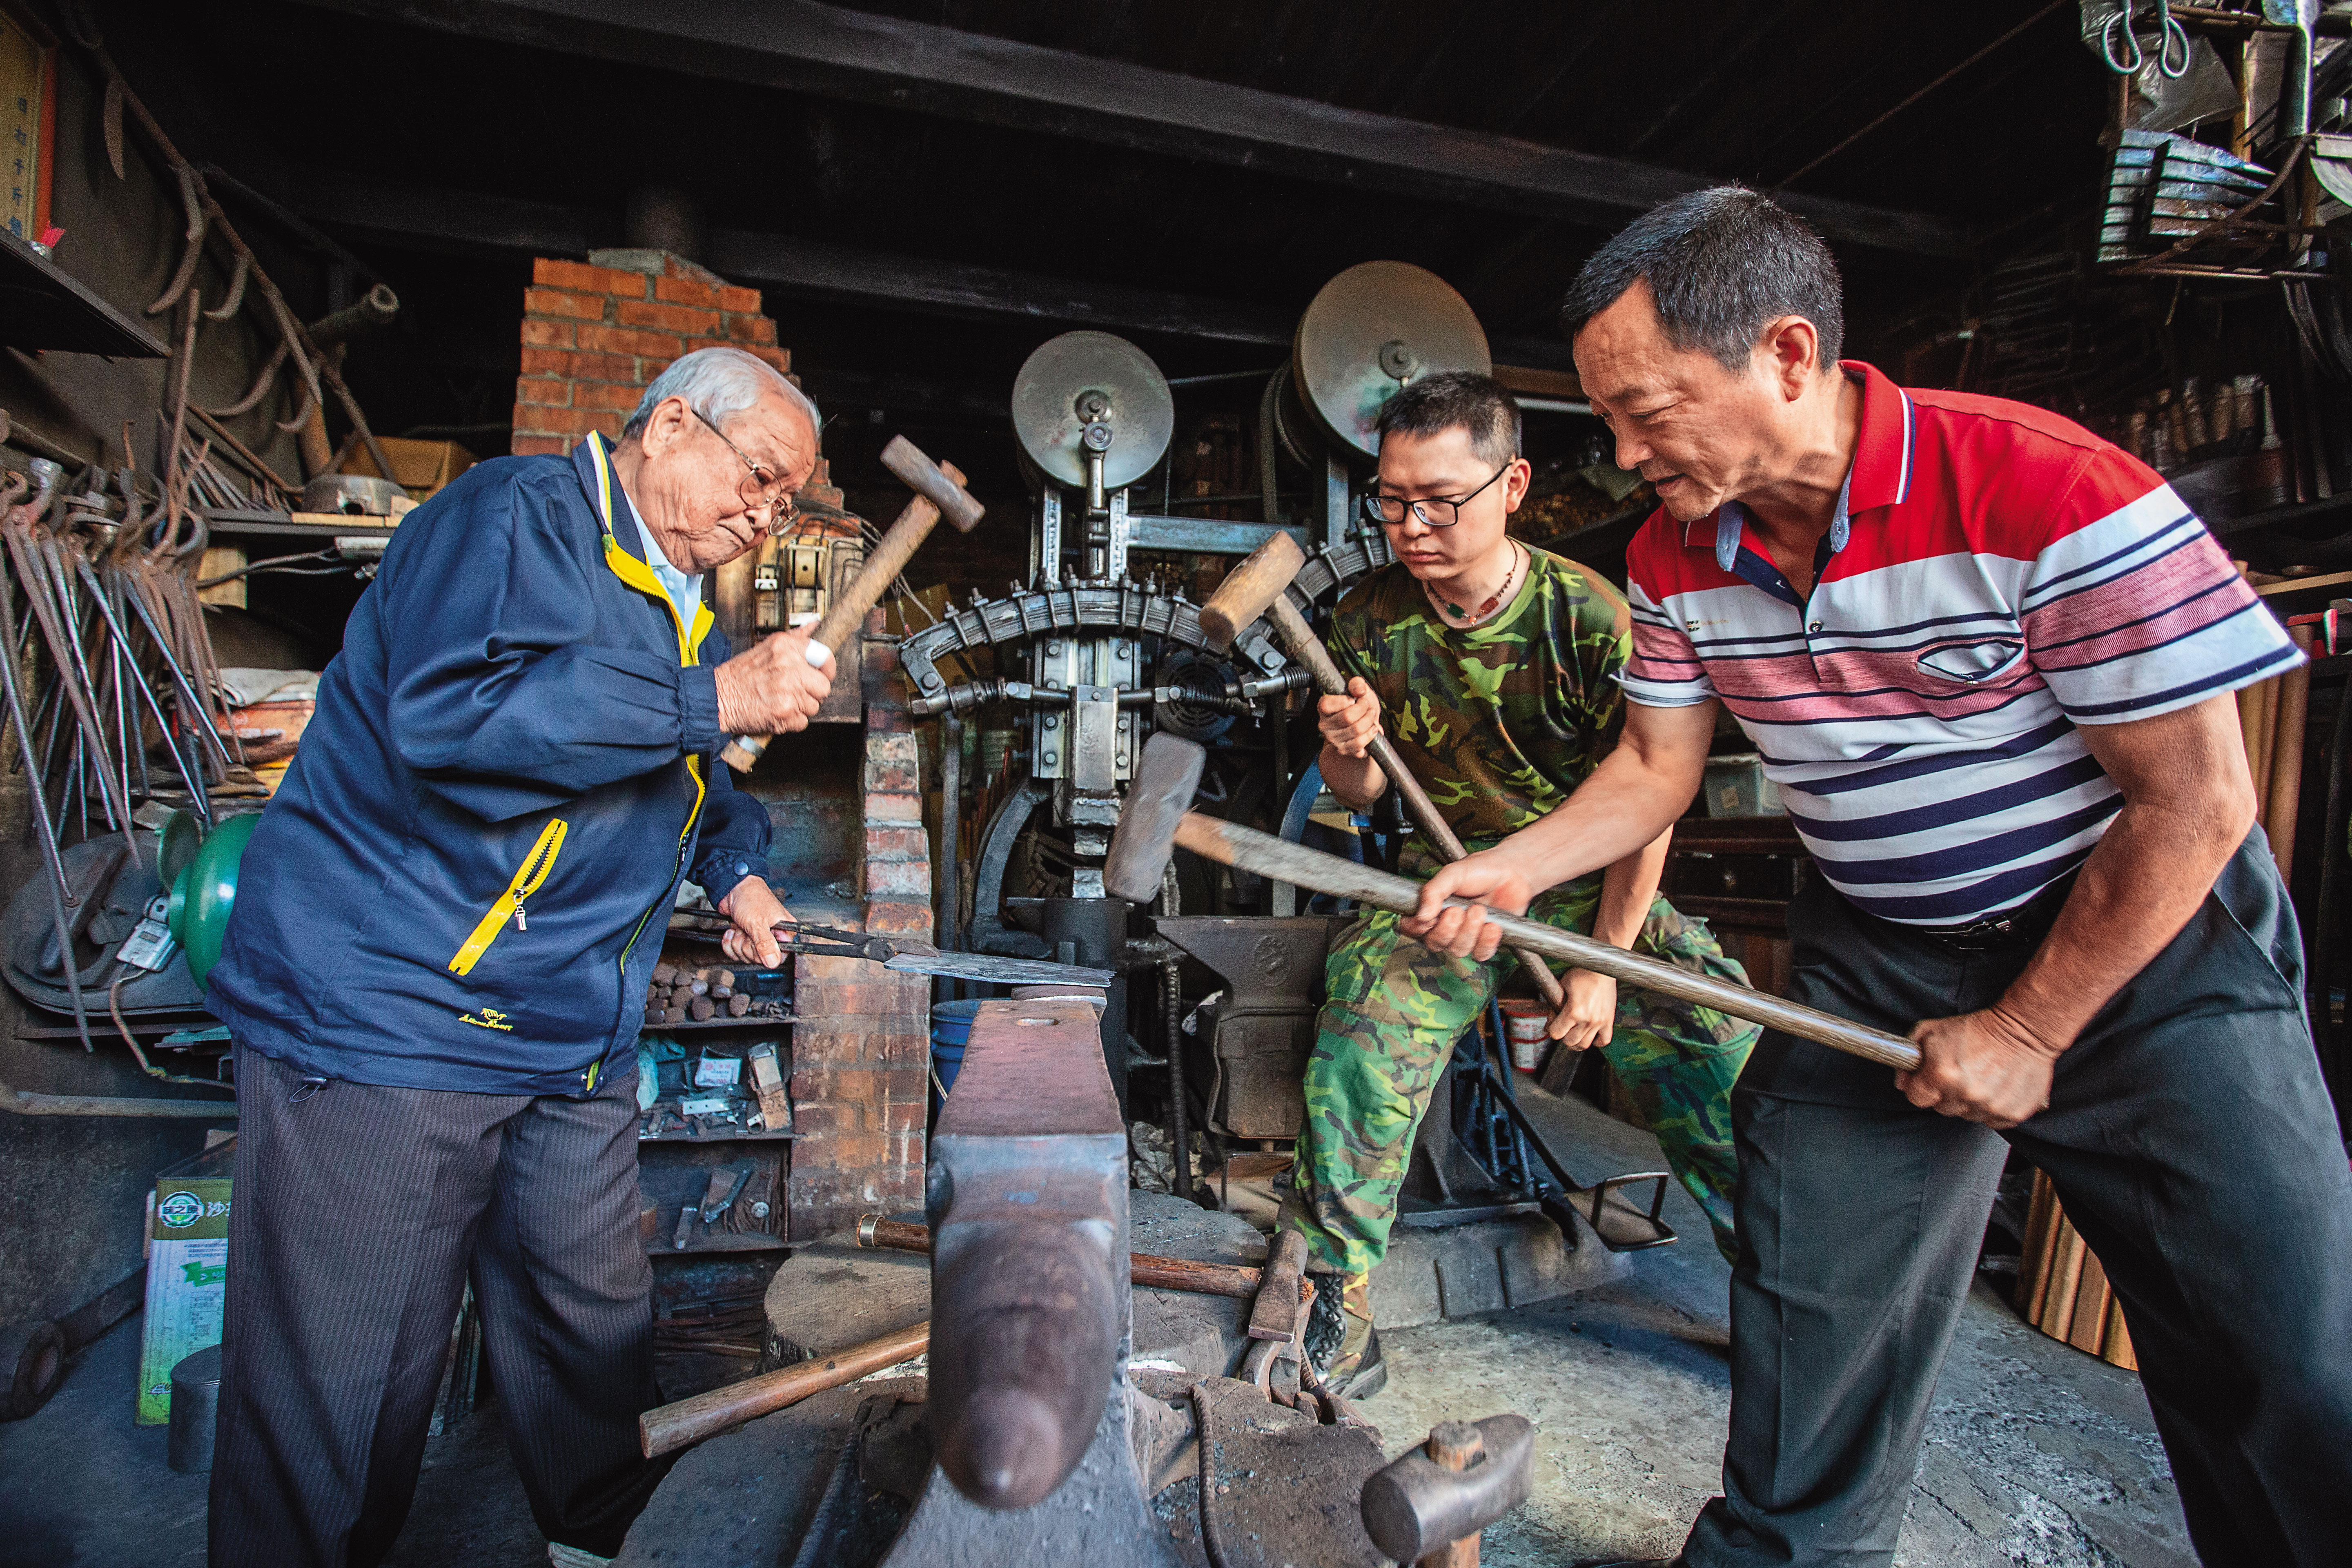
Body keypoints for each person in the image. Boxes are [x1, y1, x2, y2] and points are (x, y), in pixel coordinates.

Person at [1409, 188, 2352, 1567]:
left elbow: (2198, 800)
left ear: (1787, 356)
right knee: (1812, 1326)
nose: (1620, 455)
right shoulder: (1676, 554)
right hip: (1886, 943)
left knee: (2282, 1357)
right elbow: (1655, 773)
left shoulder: (2047, 489)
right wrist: (1511, 867)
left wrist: (2030, 1031)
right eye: (1606, 420)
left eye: (1649, 412)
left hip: (2149, 953)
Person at [203, 346, 839, 1568]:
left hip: (566, 1036)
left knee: (588, 1339)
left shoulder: (674, 594)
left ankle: (605, 1549)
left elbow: (669, 773)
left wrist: (734, 867)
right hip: (396, 1019)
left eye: (784, 500)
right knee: (347, 1381)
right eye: (757, 478)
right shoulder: (507, 518)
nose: (764, 514)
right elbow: (455, 721)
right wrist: (712, 702)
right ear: (665, 430)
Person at [1284, 369, 1761, 1399]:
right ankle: (1337, 1293)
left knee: (1719, 1059)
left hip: (1592, 884)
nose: (1413, 525)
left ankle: (1784, 1308)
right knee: (1362, 1036)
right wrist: (1348, 747)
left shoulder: (1587, 619)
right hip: (1449, 882)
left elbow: (1647, 800)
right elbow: (1364, 797)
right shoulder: (1367, 618)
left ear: (1513, 486)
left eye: (1442, 500)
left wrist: (1612, 966)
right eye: (1393, 500)